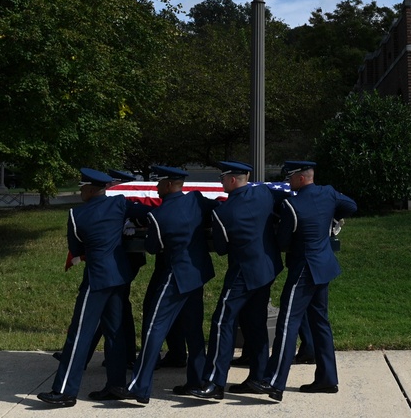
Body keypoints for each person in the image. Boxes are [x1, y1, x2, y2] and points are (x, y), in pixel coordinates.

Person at [248, 161, 357, 402]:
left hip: (304, 270)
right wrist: (328, 218)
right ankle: (327, 379)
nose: (288, 183)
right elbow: (351, 206)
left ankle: (273, 382)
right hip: (323, 267)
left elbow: (283, 241)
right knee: (320, 323)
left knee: (287, 325)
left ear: (299, 178)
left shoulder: (292, 205)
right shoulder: (328, 193)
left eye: (290, 178)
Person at [37, 168, 147, 408]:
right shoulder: (119, 204)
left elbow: (76, 250)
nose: (80, 191)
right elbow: (144, 213)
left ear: (89, 189)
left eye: (82, 188)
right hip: (118, 277)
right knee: (115, 332)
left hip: (96, 279)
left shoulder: (77, 215)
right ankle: (116, 385)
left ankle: (65, 391)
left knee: (79, 335)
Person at [109, 165, 217, 404]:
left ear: (169, 185)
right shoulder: (197, 201)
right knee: (194, 331)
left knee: (153, 329)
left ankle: (139, 387)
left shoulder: (159, 216)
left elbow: (152, 248)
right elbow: (217, 209)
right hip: (197, 275)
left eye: (158, 184)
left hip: (175, 277)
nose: (156, 188)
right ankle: (196, 381)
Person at [190, 161, 282, 400]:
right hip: (268, 268)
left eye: (222, 178)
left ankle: (215, 382)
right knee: (255, 322)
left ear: (232, 180)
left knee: (222, 321)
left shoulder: (223, 212)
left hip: (244, 271)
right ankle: (258, 377)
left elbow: (221, 248)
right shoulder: (263, 193)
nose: (220, 182)